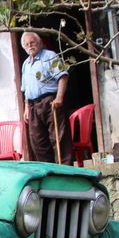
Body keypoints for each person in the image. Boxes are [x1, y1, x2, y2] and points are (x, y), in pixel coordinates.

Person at [20, 32, 73, 165]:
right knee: (38, 142)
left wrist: (59, 98)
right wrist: (26, 108)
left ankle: (66, 172)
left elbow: (63, 76)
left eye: (32, 42)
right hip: (33, 105)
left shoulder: (50, 56)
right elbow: (26, 90)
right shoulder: (26, 64)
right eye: (26, 44)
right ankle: (49, 172)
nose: (29, 45)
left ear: (39, 42)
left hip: (50, 102)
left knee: (59, 138)